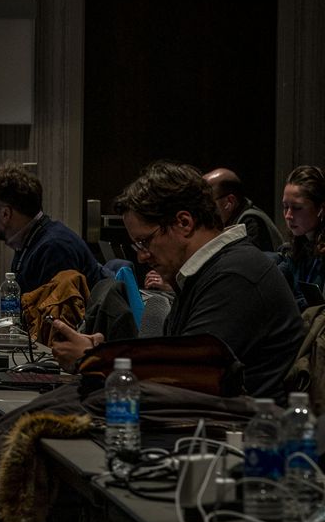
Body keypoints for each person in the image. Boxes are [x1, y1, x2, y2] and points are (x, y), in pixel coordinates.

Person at [50, 161, 303, 398]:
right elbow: (173, 365)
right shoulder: (204, 272)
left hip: (235, 435)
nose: (141, 257)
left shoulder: (236, 276)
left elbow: (184, 383)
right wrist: (103, 351)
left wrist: (94, 360)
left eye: (144, 242)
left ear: (184, 223)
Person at [0, 161, 108, 294]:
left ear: (5, 214)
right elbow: (27, 305)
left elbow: (53, 312)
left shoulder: (55, 249)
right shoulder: (30, 242)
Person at [277, 164, 325, 310]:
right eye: (285, 207)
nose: (288, 216)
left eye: (297, 208)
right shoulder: (297, 246)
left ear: (321, 209)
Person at [202, 167, 283, 252]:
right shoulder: (231, 220)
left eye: (208, 202)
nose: (203, 208)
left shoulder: (251, 223)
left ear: (230, 202)